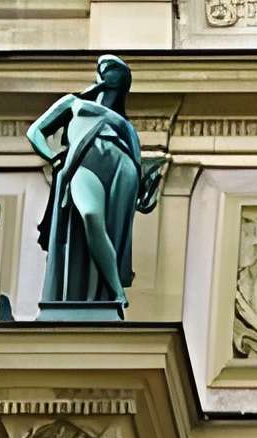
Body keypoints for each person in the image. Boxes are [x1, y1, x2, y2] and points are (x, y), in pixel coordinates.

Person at [28, 55, 166, 313]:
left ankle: (108, 296)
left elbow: (138, 163)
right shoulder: (74, 102)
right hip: (83, 161)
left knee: (110, 227)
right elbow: (35, 131)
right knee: (91, 215)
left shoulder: (126, 125)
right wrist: (53, 157)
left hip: (120, 166)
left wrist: (143, 194)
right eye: (107, 69)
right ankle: (116, 289)